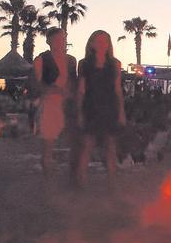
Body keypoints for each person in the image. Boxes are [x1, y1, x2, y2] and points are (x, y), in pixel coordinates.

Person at [75, 30, 126, 188]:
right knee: (87, 146)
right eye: (99, 41)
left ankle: (112, 184)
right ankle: (81, 184)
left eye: (105, 41)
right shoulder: (84, 64)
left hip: (110, 107)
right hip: (91, 107)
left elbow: (118, 90)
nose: (102, 44)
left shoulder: (115, 64)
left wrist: (121, 112)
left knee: (111, 147)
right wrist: (79, 113)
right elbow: (81, 90)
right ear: (92, 44)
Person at [32, 27, 77, 178]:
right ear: (49, 41)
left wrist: (71, 94)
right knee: (48, 140)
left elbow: (73, 80)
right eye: (58, 39)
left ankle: (69, 175)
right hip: (50, 103)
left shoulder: (71, 60)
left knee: (71, 138)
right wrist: (55, 90)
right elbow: (37, 84)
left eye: (63, 38)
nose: (61, 42)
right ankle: (47, 173)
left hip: (68, 102)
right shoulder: (41, 60)